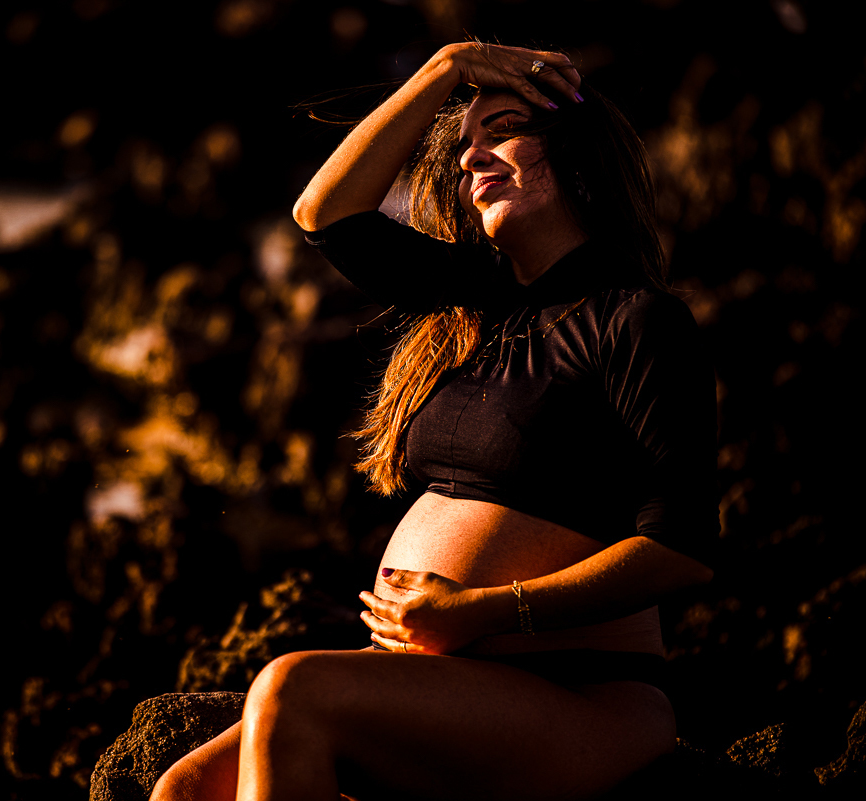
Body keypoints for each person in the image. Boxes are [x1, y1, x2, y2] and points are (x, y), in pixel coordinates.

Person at [151, 41, 716, 801]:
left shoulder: (638, 320)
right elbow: (325, 212)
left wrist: (480, 610)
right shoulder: (475, 301)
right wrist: (447, 68)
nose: (469, 158)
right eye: (462, 146)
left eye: (503, 130)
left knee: (293, 690)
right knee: (183, 788)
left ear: (577, 152)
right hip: (453, 669)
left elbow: (681, 550)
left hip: (582, 691)